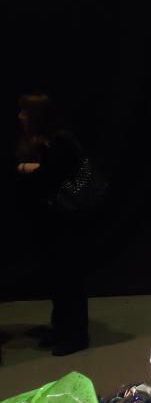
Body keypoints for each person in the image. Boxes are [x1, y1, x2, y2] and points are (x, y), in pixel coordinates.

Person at [16, 94, 89, 356]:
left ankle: (77, 335)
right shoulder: (38, 143)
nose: (20, 117)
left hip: (65, 225)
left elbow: (49, 177)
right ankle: (61, 327)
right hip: (47, 225)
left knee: (69, 280)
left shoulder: (60, 142)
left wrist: (24, 168)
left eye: (25, 112)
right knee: (56, 280)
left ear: (37, 116)